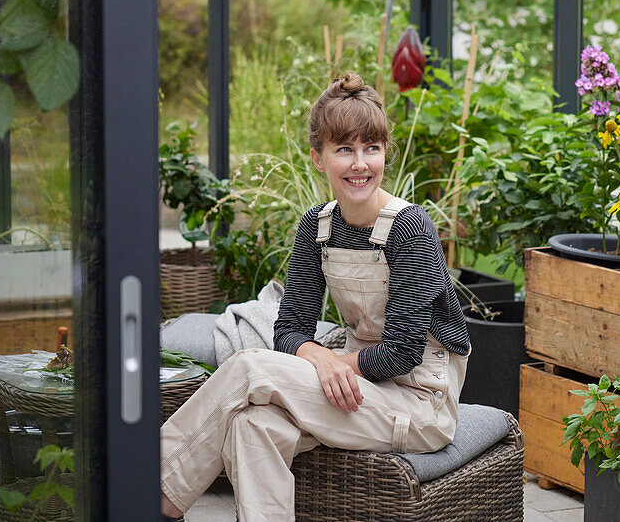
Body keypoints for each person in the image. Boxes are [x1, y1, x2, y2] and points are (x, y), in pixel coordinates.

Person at [159, 73, 471, 522]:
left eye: (371, 148)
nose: (360, 164)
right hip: (354, 383)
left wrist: (328, 364)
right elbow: (289, 329)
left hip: (418, 401)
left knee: (250, 367)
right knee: (253, 425)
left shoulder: (409, 228)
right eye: (344, 149)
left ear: (385, 153)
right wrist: (320, 360)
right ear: (318, 158)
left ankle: (156, 496)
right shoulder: (318, 227)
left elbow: (403, 353)